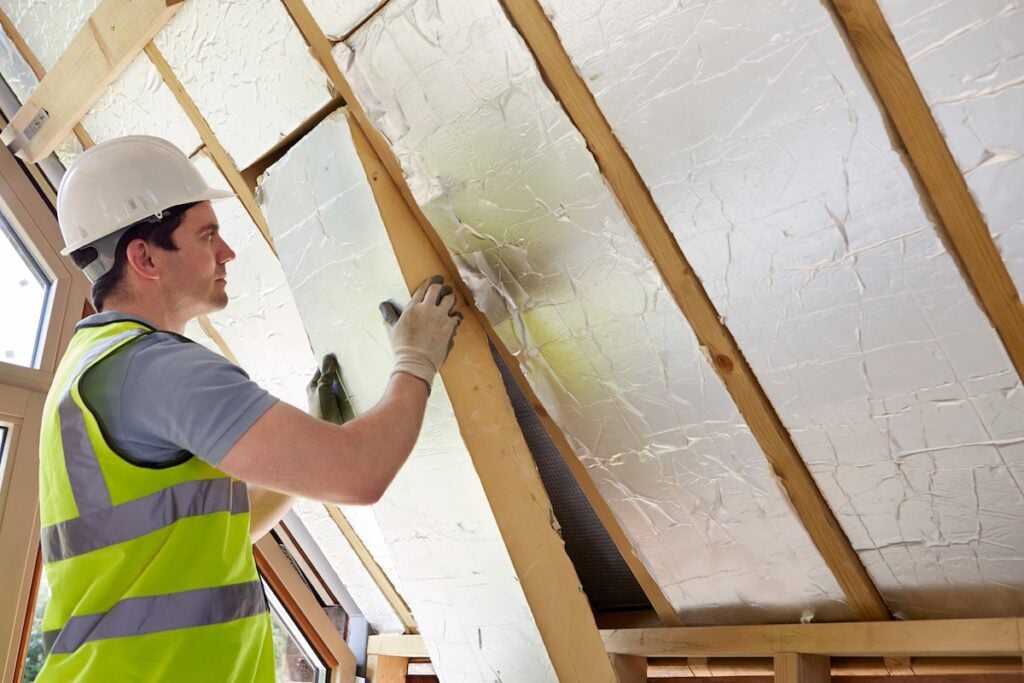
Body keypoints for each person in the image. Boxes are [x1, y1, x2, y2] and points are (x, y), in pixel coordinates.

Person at [35, 136, 461, 681]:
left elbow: (210, 540)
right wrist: (415, 360)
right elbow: (360, 475)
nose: (227, 252)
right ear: (144, 257)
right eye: (207, 234)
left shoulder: (87, 370)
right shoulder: (159, 371)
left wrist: (304, 456)